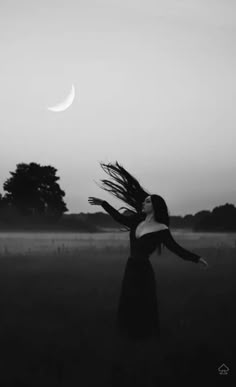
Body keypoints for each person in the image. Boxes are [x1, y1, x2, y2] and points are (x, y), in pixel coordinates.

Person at [88, 161, 208, 383]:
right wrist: (104, 203)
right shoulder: (136, 220)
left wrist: (197, 258)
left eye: (147, 201)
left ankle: (146, 336)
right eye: (143, 201)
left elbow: (176, 249)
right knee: (128, 300)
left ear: (155, 206)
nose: (143, 203)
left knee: (144, 302)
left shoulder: (162, 229)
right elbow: (119, 218)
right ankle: (127, 334)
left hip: (144, 269)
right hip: (130, 266)